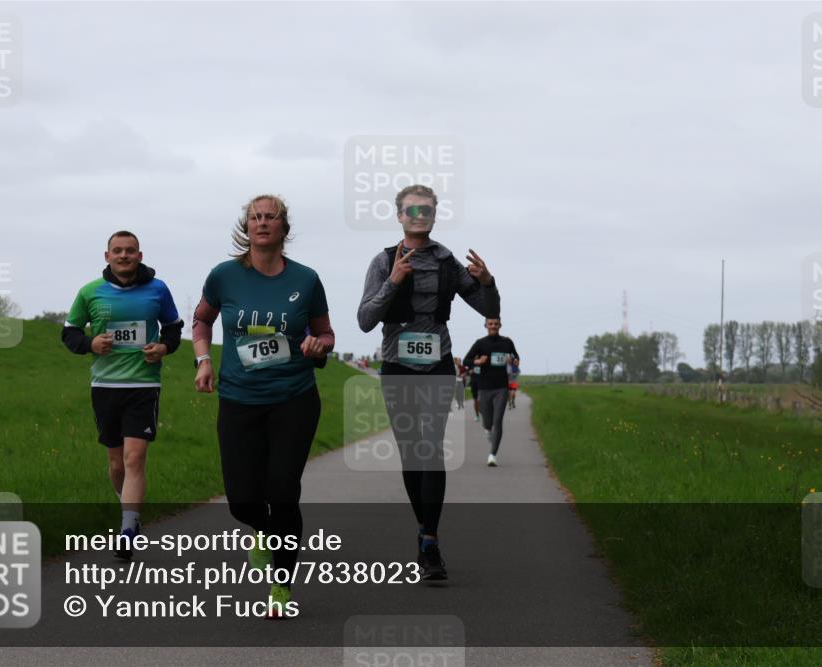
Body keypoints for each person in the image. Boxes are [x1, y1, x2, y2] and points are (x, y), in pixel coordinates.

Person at [193, 194, 334, 618]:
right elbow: (202, 319)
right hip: (238, 399)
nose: (262, 222)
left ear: (283, 227)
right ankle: (263, 532)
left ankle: (281, 585)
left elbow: (326, 336)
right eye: (255, 217)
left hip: (293, 398)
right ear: (246, 226)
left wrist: (316, 344)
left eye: (271, 217)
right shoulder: (224, 275)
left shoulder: (306, 280)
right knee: (241, 500)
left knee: (283, 492)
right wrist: (203, 360)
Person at [358, 184, 500, 581]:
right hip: (397, 365)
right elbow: (365, 319)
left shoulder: (446, 261)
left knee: (430, 448)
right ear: (399, 215)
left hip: (437, 363)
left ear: (434, 216)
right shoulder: (384, 261)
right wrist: (394, 281)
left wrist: (488, 282)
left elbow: (489, 310)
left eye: (427, 210)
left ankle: (430, 540)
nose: (419, 215)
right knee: (411, 452)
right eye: (411, 210)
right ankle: (425, 529)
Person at [62, 231, 183, 559]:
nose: (124, 256)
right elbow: (69, 333)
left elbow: (173, 328)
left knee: (134, 457)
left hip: (144, 385)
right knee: (116, 463)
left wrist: (163, 347)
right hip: (105, 387)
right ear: (107, 256)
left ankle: (128, 528)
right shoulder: (90, 292)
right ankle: (127, 508)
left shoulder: (158, 290)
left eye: (130, 251)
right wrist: (90, 344)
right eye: (118, 251)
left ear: (140, 255)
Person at [464, 319, 520, 467]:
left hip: (501, 387)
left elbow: (515, 357)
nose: (493, 326)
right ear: (486, 326)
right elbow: (466, 360)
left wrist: (514, 361)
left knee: (498, 420)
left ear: (500, 325)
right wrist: (477, 362)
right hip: (484, 387)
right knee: (487, 421)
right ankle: (488, 430)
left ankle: (492, 455)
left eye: (496, 324)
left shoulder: (507, 342)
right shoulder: (480, 343)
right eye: (491, 324)